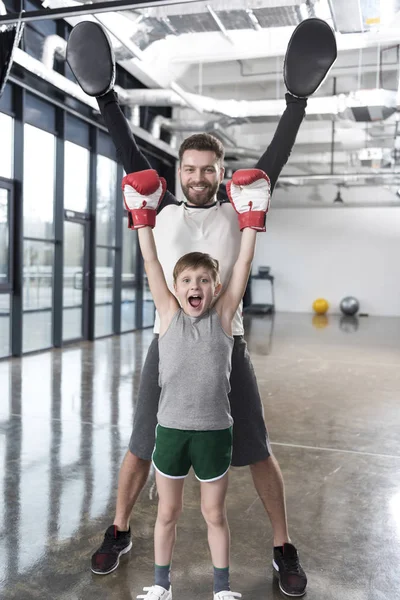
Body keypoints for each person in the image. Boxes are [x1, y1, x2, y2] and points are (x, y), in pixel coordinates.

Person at [66, 17, 337, 597]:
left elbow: (271, 165)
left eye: (207, 169)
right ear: (178, 172)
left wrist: (296, 102)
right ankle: (119, 530)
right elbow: (129, 153)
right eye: (188, 169)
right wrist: (106, 96)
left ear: (219, 174)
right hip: (167, 345)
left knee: (258, 449)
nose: (196, 176)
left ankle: (282, 546)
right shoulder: (159, 213)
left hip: (227, 344)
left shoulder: (237, 215)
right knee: (142, 443)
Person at [123, 166, 269, 600]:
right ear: (174, 287)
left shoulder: (224, 318)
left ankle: (221, 589)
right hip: (169, 432)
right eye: (186, 280)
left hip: (213, 435)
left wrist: (251, 221)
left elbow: (242, 261)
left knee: (214, 514)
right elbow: (151, 260)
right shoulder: (168, 316)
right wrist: (141, 220)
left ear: (216, 287)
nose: (195, 286)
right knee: (166, 513)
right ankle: (160, 585)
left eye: (204, 281)